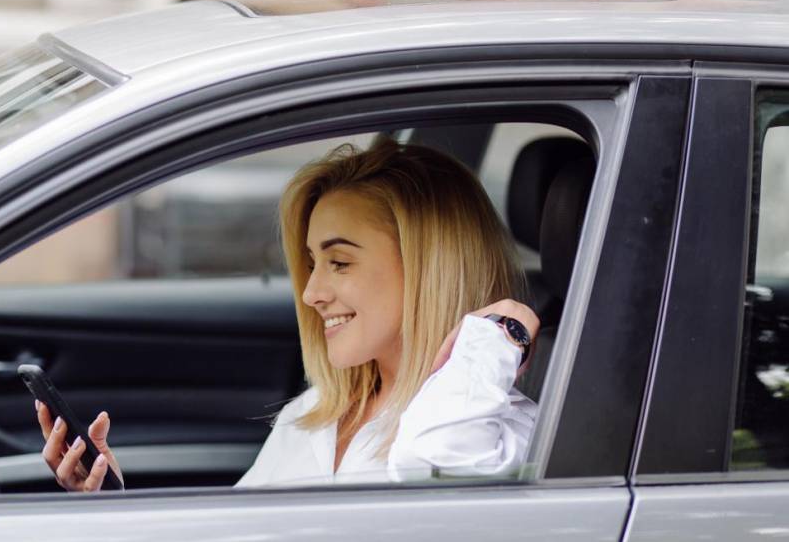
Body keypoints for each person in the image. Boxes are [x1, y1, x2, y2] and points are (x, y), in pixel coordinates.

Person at [35, 137, 539, 491]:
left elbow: (436, 463)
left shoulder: (495, 429)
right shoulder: (314, 414)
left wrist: (499, 334)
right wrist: (109, 503)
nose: (312, 292)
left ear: (429, 268)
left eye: (339, 262)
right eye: (313, 263)